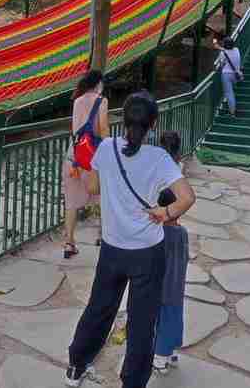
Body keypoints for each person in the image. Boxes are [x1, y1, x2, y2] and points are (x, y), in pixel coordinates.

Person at [65, 92, 196, 388]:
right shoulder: (160, 158)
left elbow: (95, 186)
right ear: (153, 124)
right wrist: (165, 212)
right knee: (141, 321)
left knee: (99, 308)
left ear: (123, 120)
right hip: (147, 253)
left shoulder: (107, 148)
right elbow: (188, 197)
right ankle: (133, 383)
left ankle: (76, 365)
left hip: (112, 248)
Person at [152, 131, 190, 378]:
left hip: (159, 283)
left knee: (160, 313)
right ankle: (165, 353)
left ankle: (162, 354)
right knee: (172, 312)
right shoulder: (181, 234)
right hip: (174, 285)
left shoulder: (156, 234)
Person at [63, 69, 109, 259]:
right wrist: (110, 149)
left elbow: (76, 130)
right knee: (101, 195)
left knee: (71, 202)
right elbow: (103, 128)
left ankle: (69, 243)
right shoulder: (102, 100)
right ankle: (102, 235)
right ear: (98, 83)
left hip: (74, 156)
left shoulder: (77, 101)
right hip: (93, 157)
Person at [214, 36, 242, 117]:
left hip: (226, 75)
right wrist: (219, 47)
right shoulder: (237, 50)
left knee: (229, 93)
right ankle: (231, 108)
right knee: (230, 92)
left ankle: (232, 112)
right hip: (236, 74)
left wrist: (217, 45)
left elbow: (221, 63)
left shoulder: (223, 53)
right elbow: (227, 51)